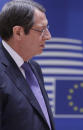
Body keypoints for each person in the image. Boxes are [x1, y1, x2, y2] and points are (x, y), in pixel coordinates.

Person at [0, 0, 55, 130]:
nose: (48, 36)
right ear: (18, 32)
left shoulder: (34, 68)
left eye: (47, 28)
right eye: (41, 30)